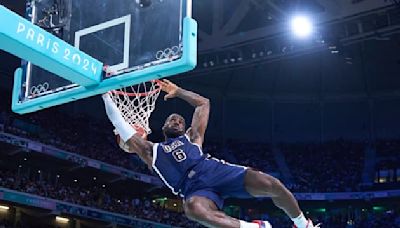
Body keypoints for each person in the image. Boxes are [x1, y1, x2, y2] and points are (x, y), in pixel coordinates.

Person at [102, 79, 319, 228]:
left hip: (215, 170)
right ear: (164, 127)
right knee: (193, 209)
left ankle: (302, 224)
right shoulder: (151, 151)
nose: (176, 120)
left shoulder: (192, 138)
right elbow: (119, 123)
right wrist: (105, 95)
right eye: (172, 119)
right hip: (194, 189)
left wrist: (178, 92)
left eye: (180, 120)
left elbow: (203, 103)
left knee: (272, 184)